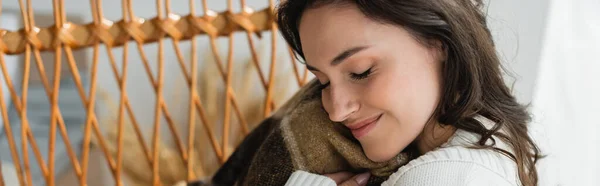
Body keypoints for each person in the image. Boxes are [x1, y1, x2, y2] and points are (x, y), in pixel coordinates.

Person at [276, 0, 543, 185]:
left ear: (439, 41)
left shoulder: (440, 178)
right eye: (323, 82)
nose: (336, 112)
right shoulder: (492, 144)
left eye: (361, 71)